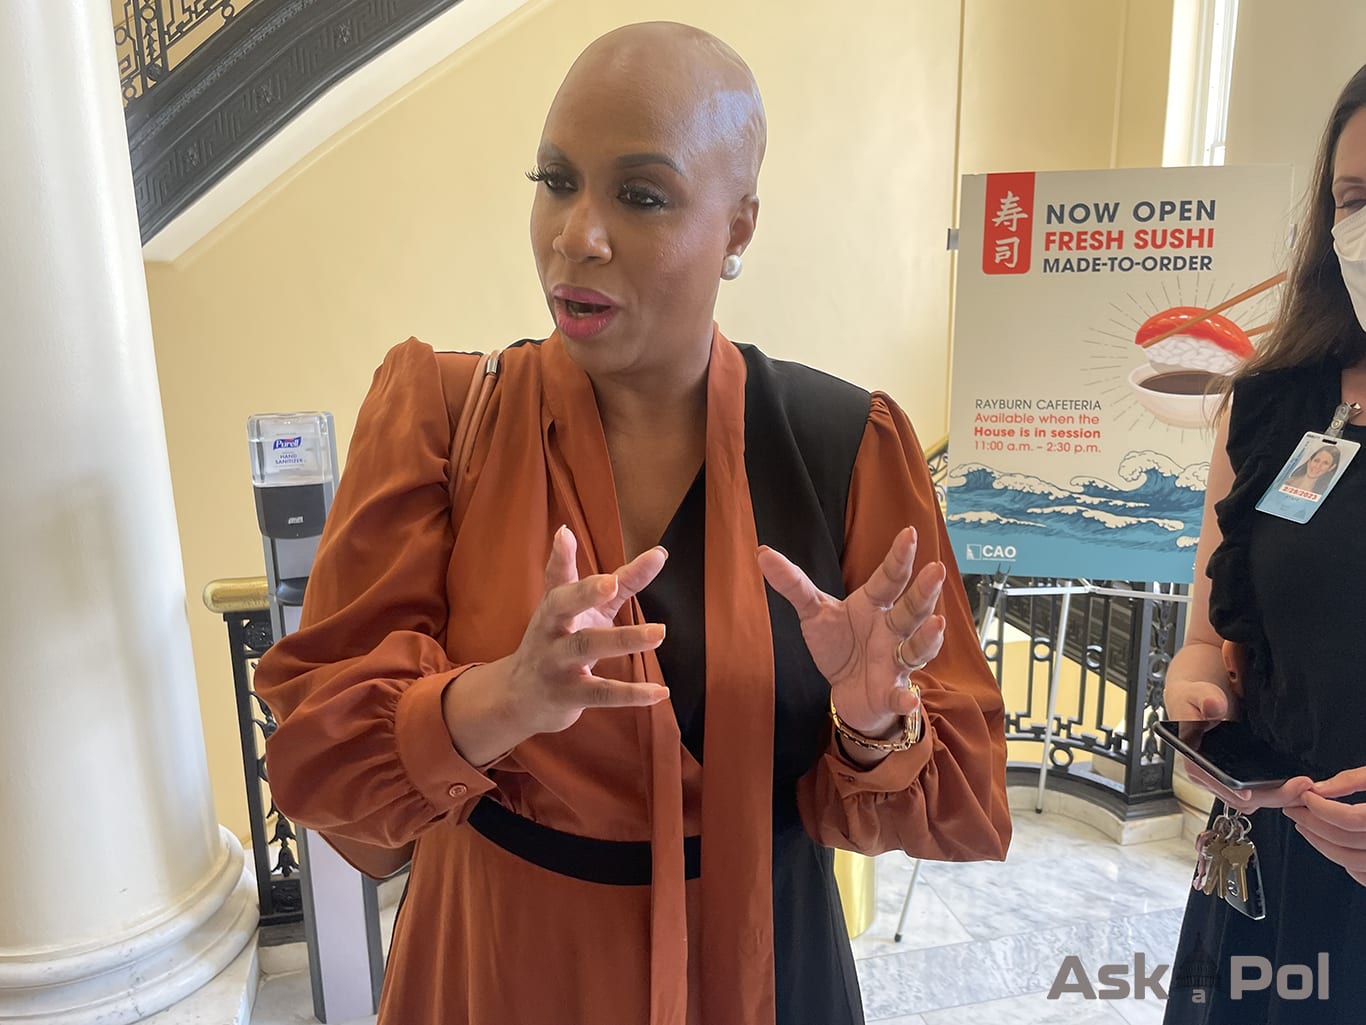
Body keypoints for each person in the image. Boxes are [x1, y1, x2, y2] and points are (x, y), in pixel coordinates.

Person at [252, 22, 1011, 1025]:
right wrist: (503, 699)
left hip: (761, 966)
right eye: (556, 180)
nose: (577, 234)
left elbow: (962, 796)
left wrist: (872, 721)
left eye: (639, 195)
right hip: (499, 967)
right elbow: (320, 758)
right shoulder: (444, 421)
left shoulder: (841, 447)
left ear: (738, 227)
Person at [1163, 62, 1366, 1024]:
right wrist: (1197, 690)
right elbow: (1213, 640)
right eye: (1356, 198)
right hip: (1273, 871)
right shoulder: (1275, 404)